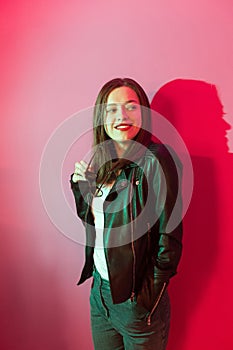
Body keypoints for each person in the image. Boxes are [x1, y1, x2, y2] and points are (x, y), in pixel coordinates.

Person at [70, 78, 183, 349]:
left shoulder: (156, 159)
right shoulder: (103, 163)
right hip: (99, 294)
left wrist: (146, 297)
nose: (122, 115)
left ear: (143, 113)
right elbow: (95, 223)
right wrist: (80, 187)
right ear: (102, 118)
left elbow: (170, 238)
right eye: (112, 109)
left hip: (135, 301)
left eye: (131, 107)